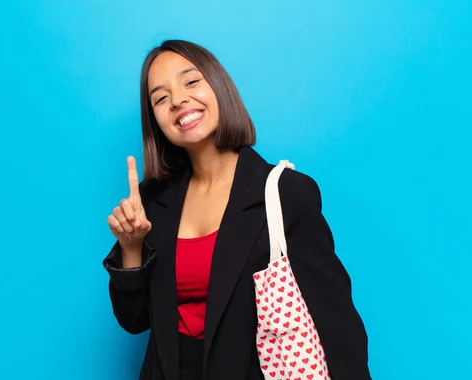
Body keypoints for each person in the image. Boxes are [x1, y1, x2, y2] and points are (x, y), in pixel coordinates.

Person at [102, 39, 371, 380]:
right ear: (155, 120)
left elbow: (336, 323)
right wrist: (131, 247)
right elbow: (133, 320)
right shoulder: (152, 202)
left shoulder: (286, 193)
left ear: (218, 86)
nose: (178, 100)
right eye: (160, 97)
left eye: (191, 81)